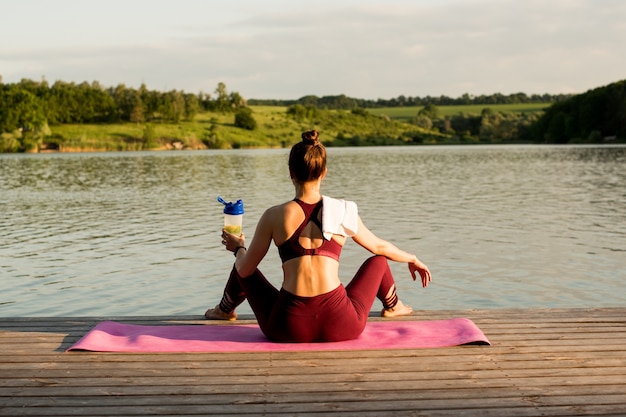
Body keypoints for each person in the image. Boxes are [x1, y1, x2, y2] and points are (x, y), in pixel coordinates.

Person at [205, 130, 432, 343]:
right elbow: (380, 247)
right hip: (342, 325)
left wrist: (238, 248)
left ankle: (224, 310)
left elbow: (245, 270)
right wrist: (412, 258)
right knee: (379, 261)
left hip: (287, 327)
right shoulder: (343, 210)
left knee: (242, 262)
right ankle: (393, 306)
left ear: (290, 172)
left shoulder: (274, 215)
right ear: (324, 172)